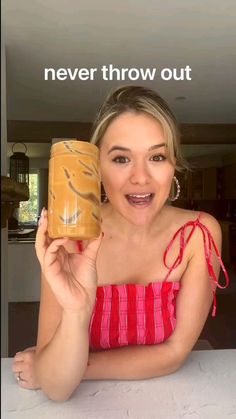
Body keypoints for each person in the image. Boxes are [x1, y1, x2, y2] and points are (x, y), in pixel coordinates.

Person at [12, 85, 229, 402]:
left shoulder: (198, 234)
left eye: (157, 156)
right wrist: (76, 310)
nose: (141, 178)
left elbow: (174, 353)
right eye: (121, 158)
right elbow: (57, 390)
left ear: (173, 166)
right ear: (98, 166)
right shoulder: (71, 240)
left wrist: (59, 367)